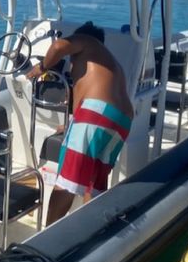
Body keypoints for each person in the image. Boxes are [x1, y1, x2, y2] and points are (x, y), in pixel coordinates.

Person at [27, 22, 133, 224]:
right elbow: (87, 95)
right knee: (94, 183)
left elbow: (59, 46)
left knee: (66, 182)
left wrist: (41, 67)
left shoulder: (87, 42)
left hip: (96, 113)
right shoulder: (112, 64)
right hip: (122, 121)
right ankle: (93, 228)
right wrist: (70, 126)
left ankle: (47, 238)